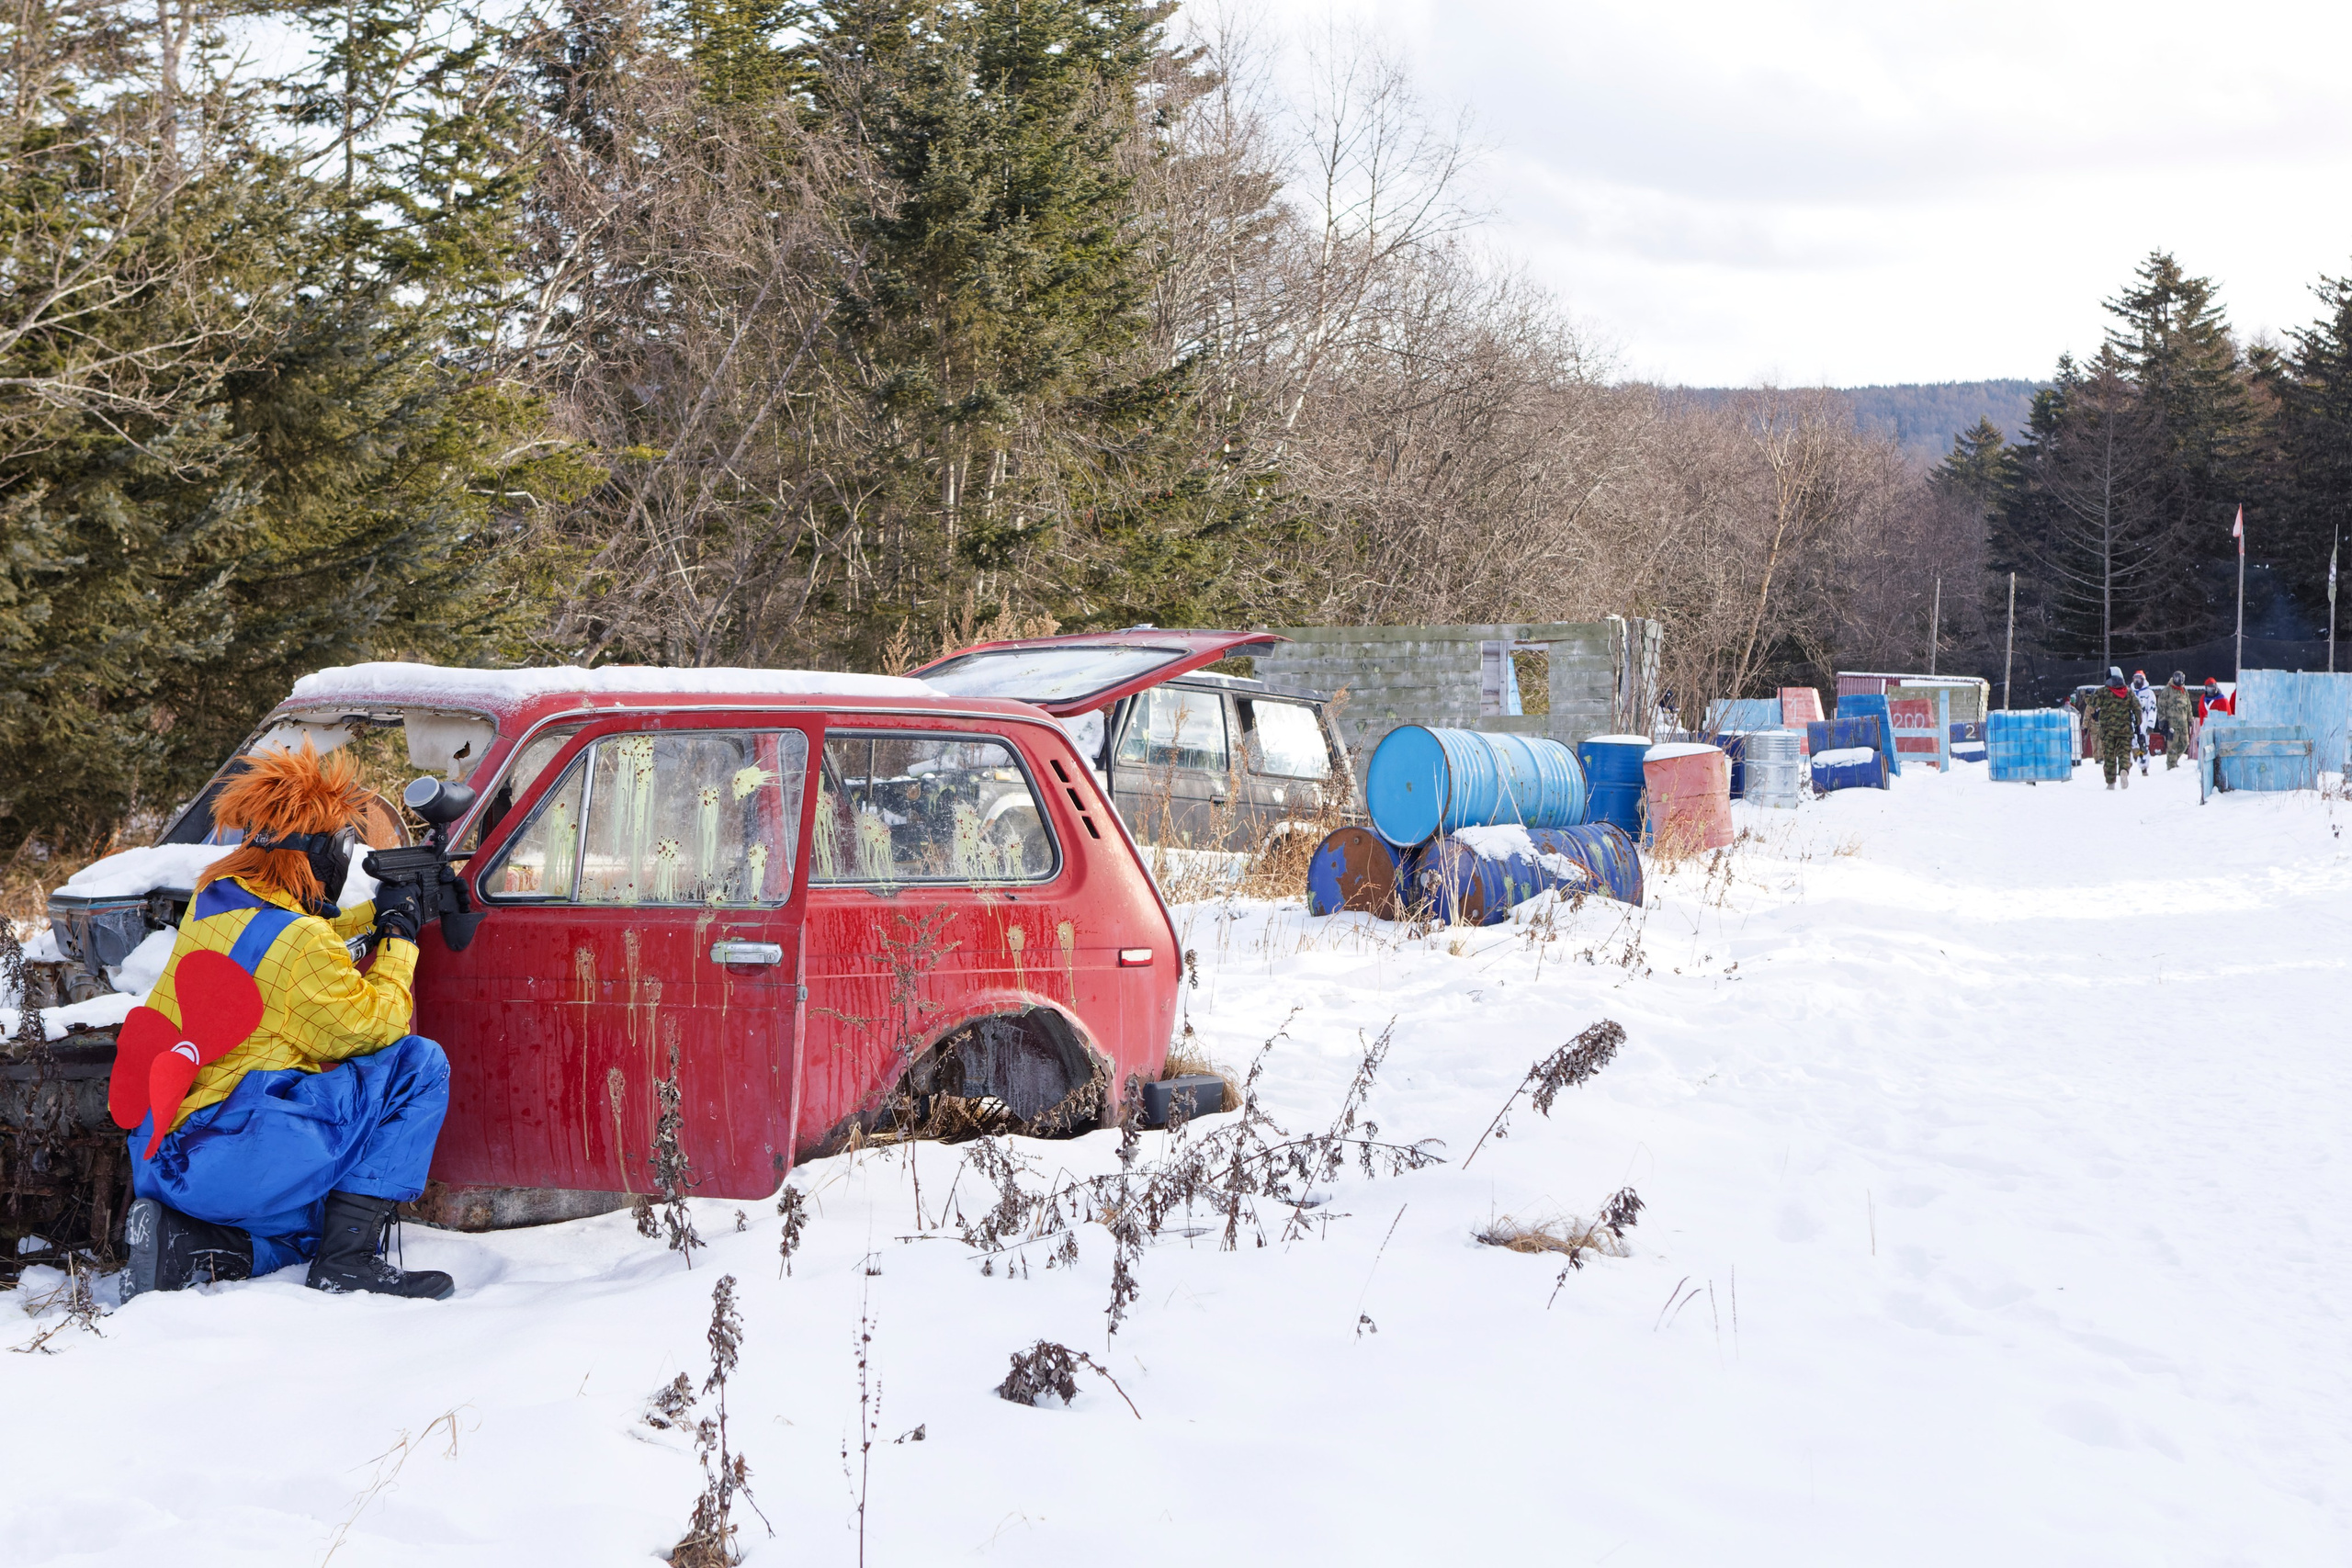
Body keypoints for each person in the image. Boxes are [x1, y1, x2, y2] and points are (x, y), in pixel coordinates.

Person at [121, 741, 454, 1301]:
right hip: (234, 1153)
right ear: (326, 850)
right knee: (419, 1065)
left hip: (169, 1154)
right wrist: (399, 940)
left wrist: (378, 911)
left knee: (301, 1232)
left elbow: (284, 940)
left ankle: (183, 1241)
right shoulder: (301, 943)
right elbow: (380, 1024)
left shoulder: (215, 896)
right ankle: (350, 1262)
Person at [2088, 668, 2138, 789]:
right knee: (2124, 753)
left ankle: (2111, 783)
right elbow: (2137, 708)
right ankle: (2124, 771)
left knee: (2109, 756)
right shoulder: (2128, 692)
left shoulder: (2103, 692)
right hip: (2125, 731)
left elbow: (2092, 704)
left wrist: (2089, 697)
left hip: (2107, 731)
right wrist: (2138, 723)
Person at [2156, 671, 2194, 770]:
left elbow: (2188, 706)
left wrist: (2190, 719)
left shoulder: (2184, 691)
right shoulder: (2167, 690)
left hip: (2183, 723)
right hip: (2172, 723)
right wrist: (2162, 720)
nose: (2180, 681)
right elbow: (2161, 705)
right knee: (2172, 744)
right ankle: (2171, 765)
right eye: (2178, 679)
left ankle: (2174, 760)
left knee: (2185, 743)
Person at [2129, 671, 2158, 774]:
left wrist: (2150, 724)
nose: (2137, 681)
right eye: (2135, 679)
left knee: (2143, 744)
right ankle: (2126, 765)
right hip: (2130, 722)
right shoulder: (2129, 692)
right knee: (2128, 744)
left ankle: (2143, 766)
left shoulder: (2149, 693)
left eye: (2139, 679)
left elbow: (2152, 709)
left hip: (2143, 722)